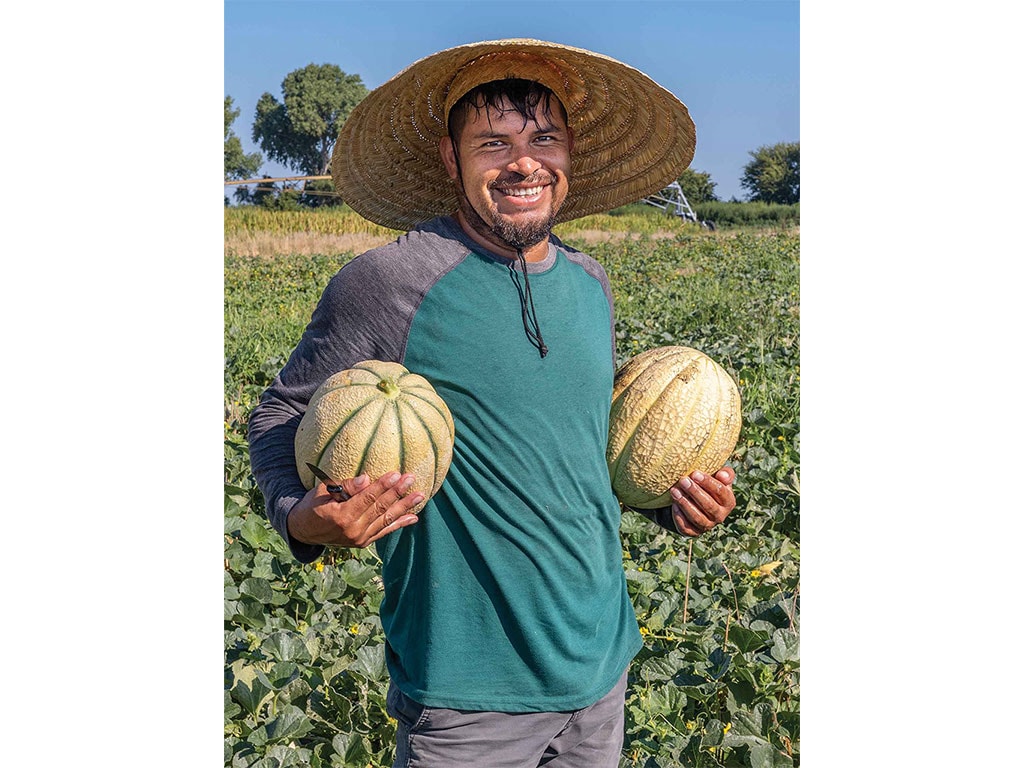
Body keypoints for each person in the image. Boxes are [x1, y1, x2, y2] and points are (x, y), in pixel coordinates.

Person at [247, 38, 737, 768]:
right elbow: (277, 417)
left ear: (571, 153)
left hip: (601, 666)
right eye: (493, 143)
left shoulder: (590, 282)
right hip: (466, 694)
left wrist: (670, 501)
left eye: (543, 138)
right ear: (452, 159)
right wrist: (302, 517)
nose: (523, 162)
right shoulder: (391, 281)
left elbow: (579, 448)